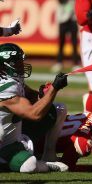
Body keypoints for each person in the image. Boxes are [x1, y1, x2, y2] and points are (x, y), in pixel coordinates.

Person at [0, 43, 68, 172]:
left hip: (12, 137)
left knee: (58, 108)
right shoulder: (7, 88)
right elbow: (34, 114)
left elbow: (31, 96)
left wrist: (43, 94)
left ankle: (49, 155)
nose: (22, 65)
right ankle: (46, 165)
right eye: (18, 63)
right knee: (29, 165)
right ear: (5, 66)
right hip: (4, 142)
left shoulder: (12, 80)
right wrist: (54, 89)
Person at [51, 0, 80, 73]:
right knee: (61, 42)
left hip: (72, 18)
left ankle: (75, 63)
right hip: (63, 18)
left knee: (74, 42)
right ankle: (59, 62)